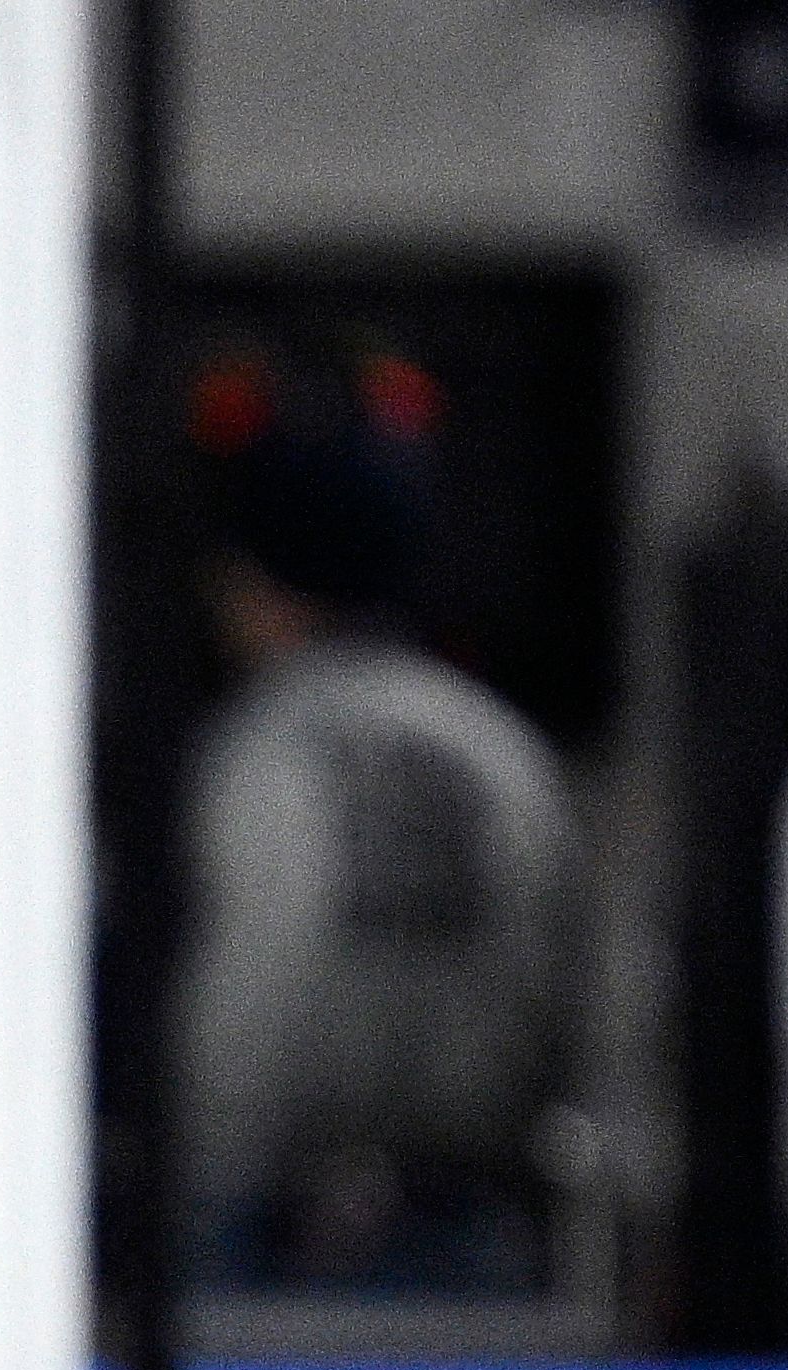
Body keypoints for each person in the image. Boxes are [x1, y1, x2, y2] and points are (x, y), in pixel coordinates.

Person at [181, 340, 583, 1298]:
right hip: (476, 1229)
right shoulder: (504, 751)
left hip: (263, 1238)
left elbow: (223, 1021)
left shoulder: (245, 757)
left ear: (263, 588)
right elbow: (563, 1003)